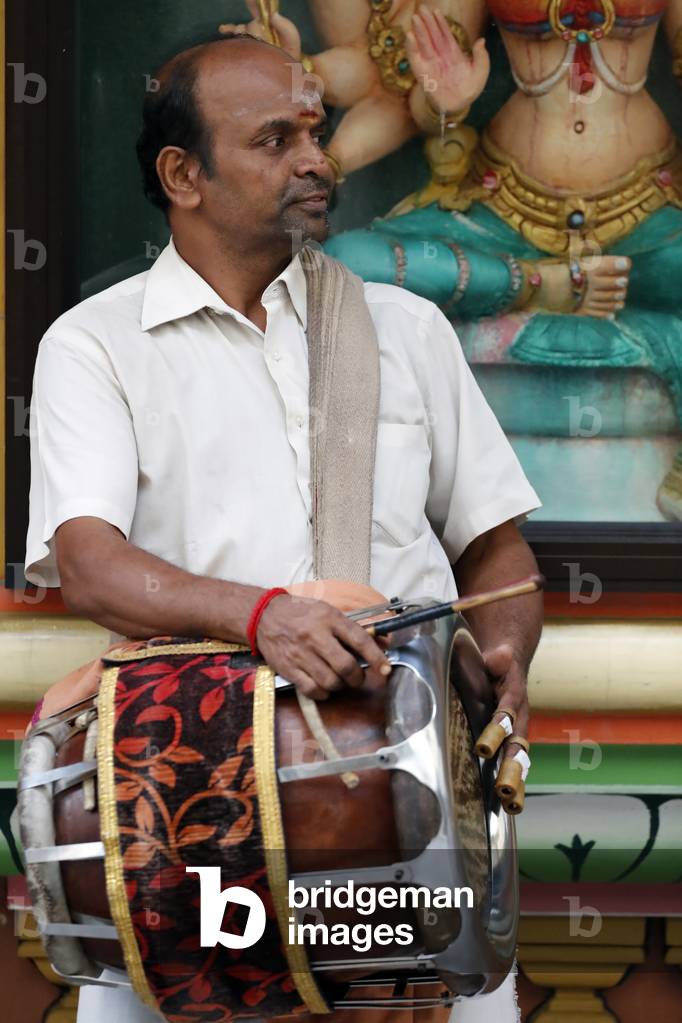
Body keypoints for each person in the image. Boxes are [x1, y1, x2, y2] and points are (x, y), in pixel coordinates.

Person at [25, 32, 542, 1023]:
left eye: (315, 130)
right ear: (184, 173)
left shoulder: (407, 329)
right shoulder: (96, 346)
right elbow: (88, 566)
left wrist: (506, 656)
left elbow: (496, 550)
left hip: (415, 813)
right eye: (274, 140)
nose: (316, 158)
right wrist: (261, 617)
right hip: (184, 821)